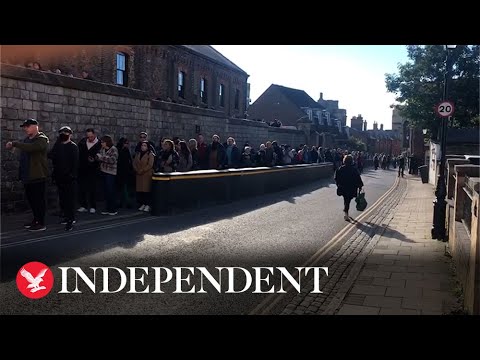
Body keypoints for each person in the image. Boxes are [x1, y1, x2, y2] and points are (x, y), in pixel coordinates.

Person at [5, 119, 49, 231]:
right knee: (32, 201)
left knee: (39, 201)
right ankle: (36, 220)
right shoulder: (26, 139)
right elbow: (24, 156)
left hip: (38, 176)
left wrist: (15, 144)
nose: (25, 128)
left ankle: (41, 223)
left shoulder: (42, 139)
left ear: (36, 126)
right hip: (27, 176)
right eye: (24, 127)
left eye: (28, 126)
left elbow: (33, 148)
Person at [48, 126, 79, 231]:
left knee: (70, 200)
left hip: (69, 178)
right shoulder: (58, 146)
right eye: (62, 133)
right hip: (59, 177)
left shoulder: (73, 146)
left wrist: (72, 176)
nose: (63, 135)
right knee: (63, 200)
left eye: (65, 133)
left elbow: (75, 163)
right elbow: (51, 156)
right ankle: (66, 217)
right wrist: (57, 143)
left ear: (70, 134)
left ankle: (70, 220)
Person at [77, 128, 102, 214]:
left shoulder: (99, 144)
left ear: (95, 135)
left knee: (92, 188)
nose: (89, 138)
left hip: (93, 170)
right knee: (82, 188)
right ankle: (83, 205)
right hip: (83, 169)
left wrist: (95, 160)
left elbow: (101, 155)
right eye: (88, 137)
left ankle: (93, 206)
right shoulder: (83, 142)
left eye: (91, 137)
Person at [335, 155, 364, 221]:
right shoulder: (354, 170)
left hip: (343, 188)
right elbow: (358, 179)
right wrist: (360, 186)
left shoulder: (340, 169)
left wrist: (338, 185)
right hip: (351, 188)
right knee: (348, 200)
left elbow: (336, 178)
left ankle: (346, 211)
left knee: (346, 199)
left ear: (344, 161)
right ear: (351, 161)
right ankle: (346, 212)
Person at [96, 135, 118, 215]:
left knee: (110, 191)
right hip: (103, 171)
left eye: (103, 142)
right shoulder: (102, 149)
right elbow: (100, 157)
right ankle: (107, 208)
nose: (101, 144)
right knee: (105, 191)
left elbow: (112, 160)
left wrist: (101, 158)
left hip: (111, 173)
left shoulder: (113, 149)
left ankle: (113, 209)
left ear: (107, 142)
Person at [133, 141, 155, 212]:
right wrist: (137, 170)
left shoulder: (150, 154)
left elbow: (150, 165)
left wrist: (142, 170)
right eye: (142, 145)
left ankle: (147, 205)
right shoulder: (138, 153)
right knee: (140, 191)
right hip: (139, 174)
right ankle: (143, 204)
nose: (143, 147)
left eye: (145, 145)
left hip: (146, 174)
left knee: (146, 190)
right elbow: (134, 163)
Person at [116, 137, 134, 209]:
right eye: (126, 143)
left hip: (125, 172)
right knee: (122, 189)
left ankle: (125, 202)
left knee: (124, 188)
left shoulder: (126, 150)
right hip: (120, 172)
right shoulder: (119, 150)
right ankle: (125, 202)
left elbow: (129, 161)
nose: (127, 145)